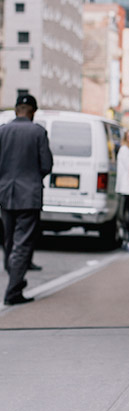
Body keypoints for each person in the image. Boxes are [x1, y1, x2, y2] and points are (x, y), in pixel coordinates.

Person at [0, 94, 53, 306]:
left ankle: (14, 278)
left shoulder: (2, 131)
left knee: (9, 239)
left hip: (5, 192)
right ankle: (13, 290)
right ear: (33, 111)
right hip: (29, 194)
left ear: (16, 110)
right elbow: (47, 165)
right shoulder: (38, 132)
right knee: (22, 243)